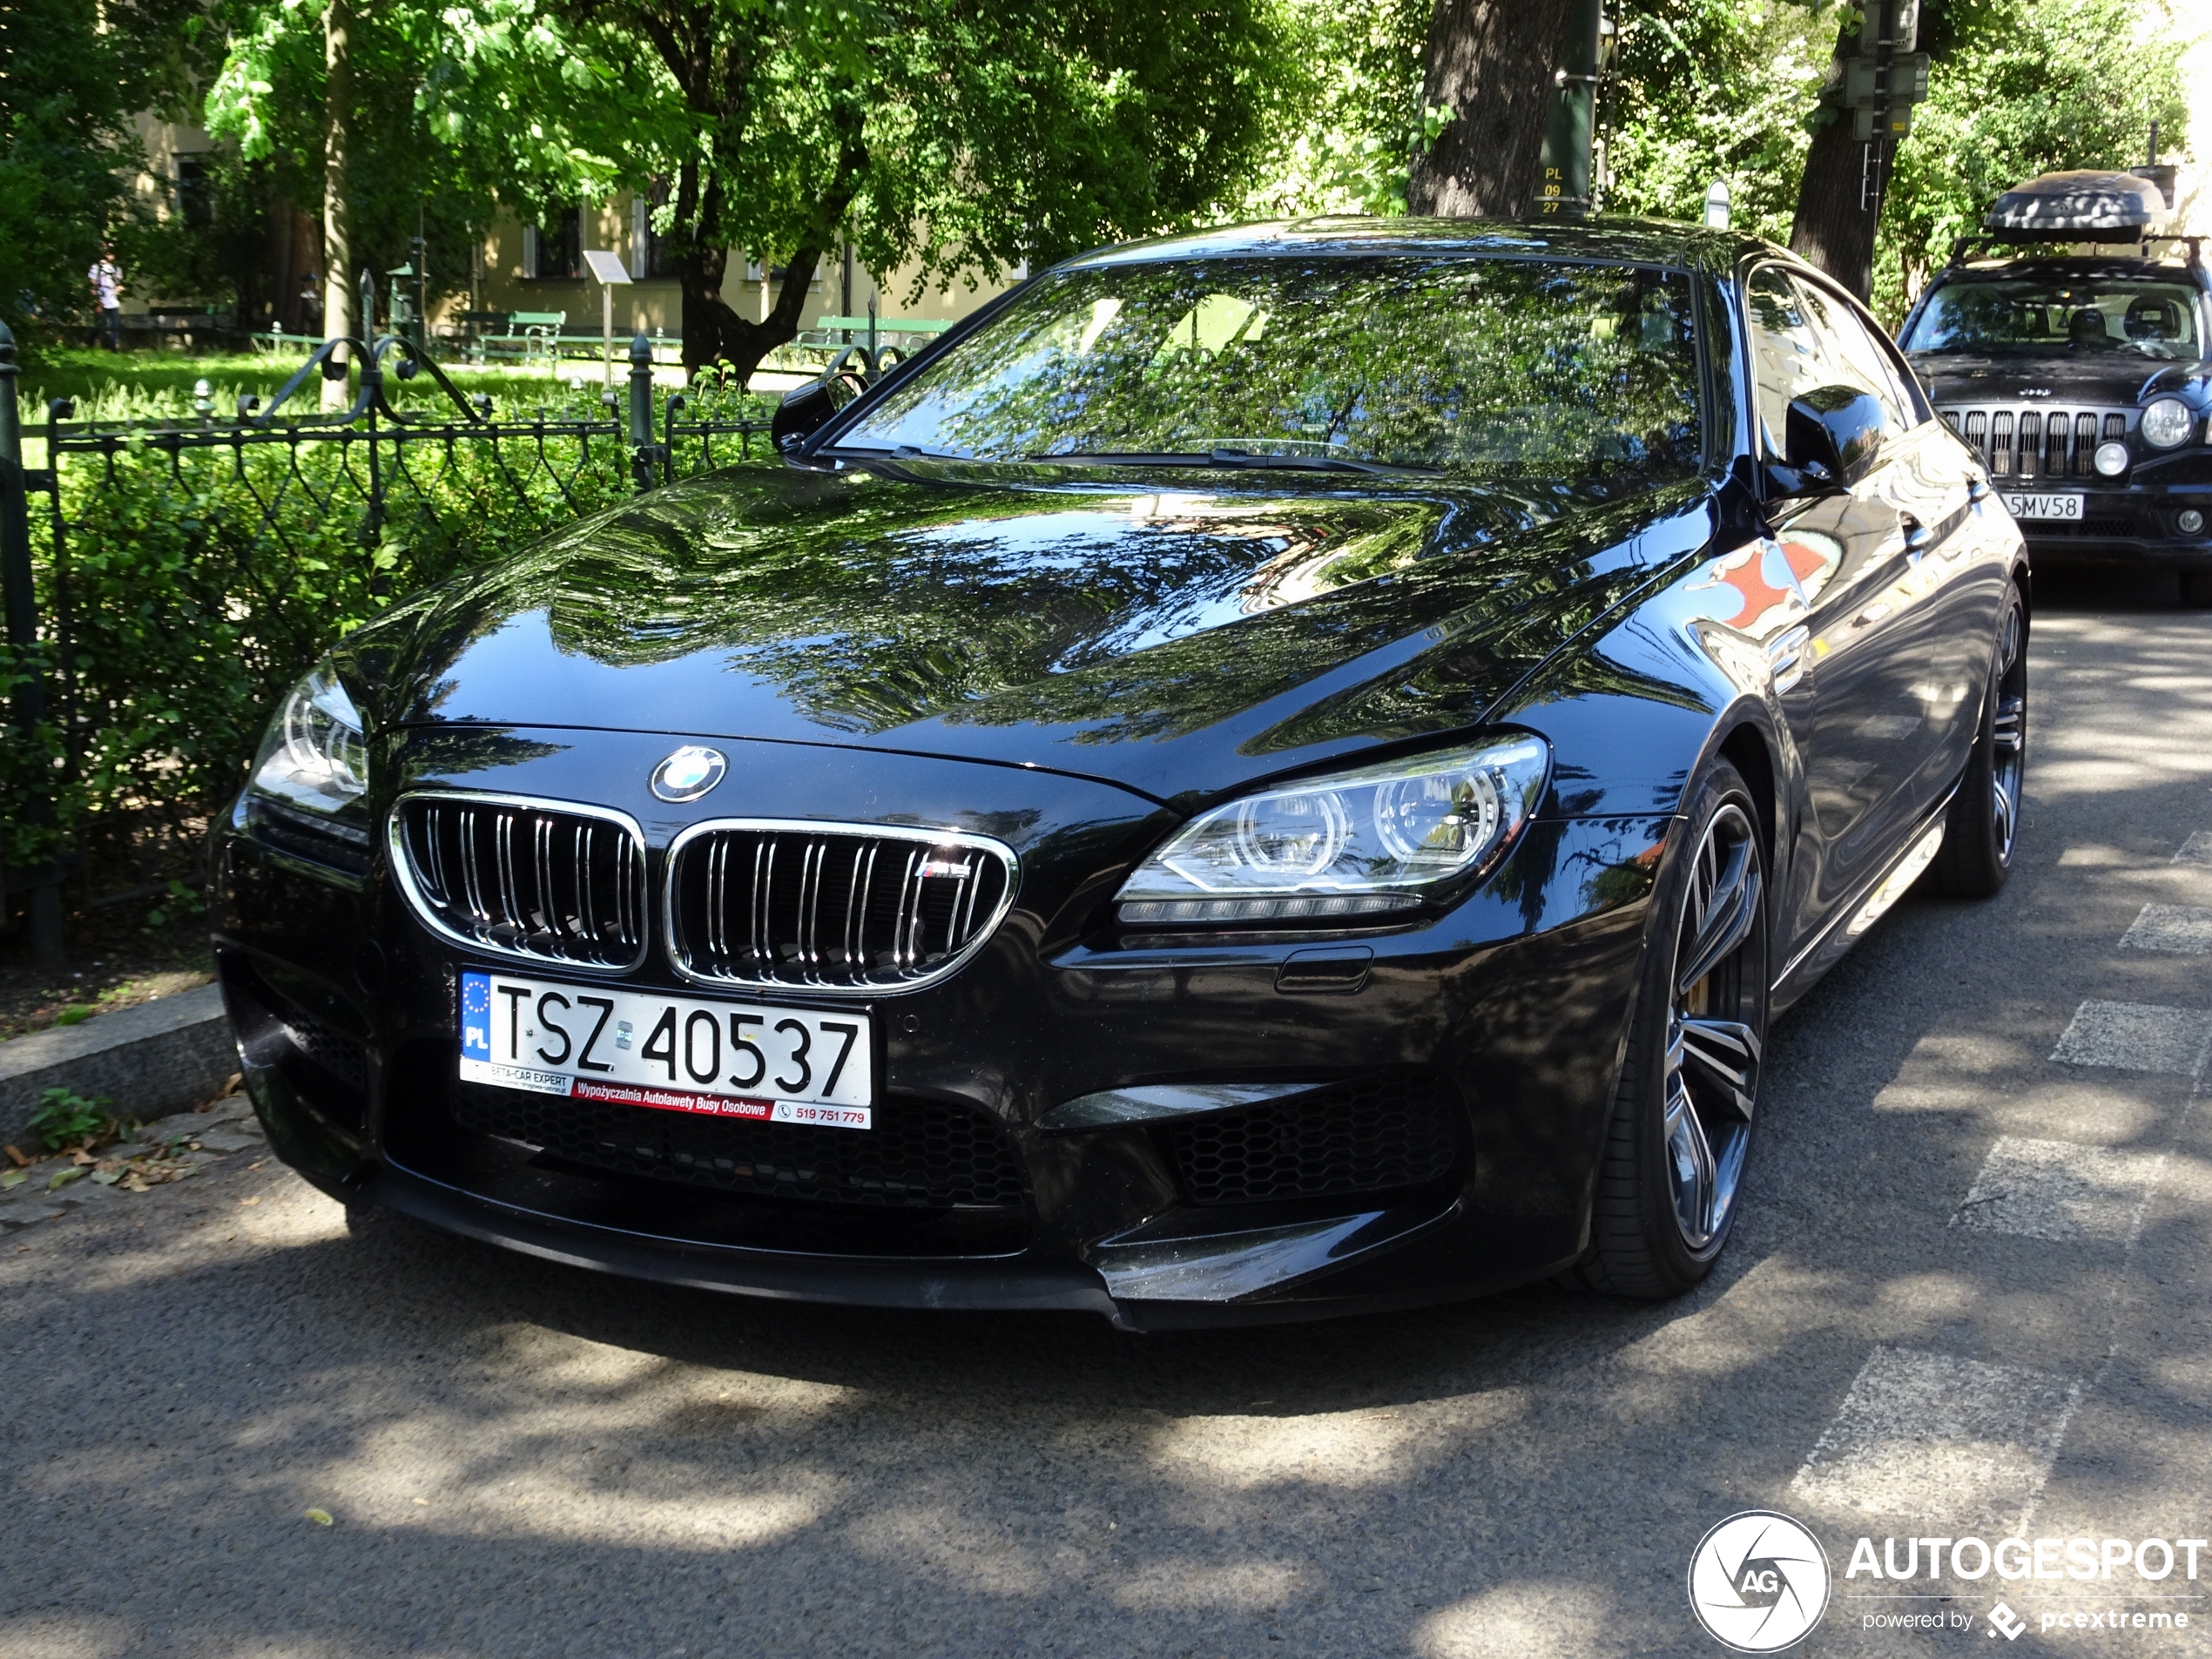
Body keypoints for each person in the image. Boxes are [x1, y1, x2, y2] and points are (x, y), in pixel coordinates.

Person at [87, 246, 124, 349]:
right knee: (100, 325)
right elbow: (93, 283)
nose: (111, 255)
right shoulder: (97, 267)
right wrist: (97, 299)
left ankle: (113, 348)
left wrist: (118, 288)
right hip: (101, 299)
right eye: (109, 252)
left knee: (115, 326)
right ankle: (89, 341)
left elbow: (118, 283)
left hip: (113, 300)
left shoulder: (117, 268)